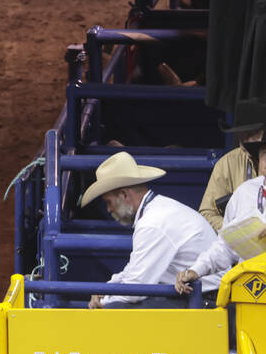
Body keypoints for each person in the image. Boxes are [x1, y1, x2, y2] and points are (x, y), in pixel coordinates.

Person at [80, 152, 221, 309]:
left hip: (204, 300)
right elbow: (134, 272)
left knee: (113, 311)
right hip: (201, 295)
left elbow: (135, 288)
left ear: (124, 194)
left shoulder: (152, 222)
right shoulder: (157, 212)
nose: (108, 209)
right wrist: (105, 290)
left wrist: (103, 303)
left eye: (109, 202)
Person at [178, 137, 266, 298]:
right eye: (265, 154)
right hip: (249, 292)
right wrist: (195, 270)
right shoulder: (244, 192)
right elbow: (226, 246)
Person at [198, 98, 266, 232]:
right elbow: (207, 212)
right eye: (241, 136)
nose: (245, 142)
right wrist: (237, 232)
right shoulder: (227, 163)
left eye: (252, 135)